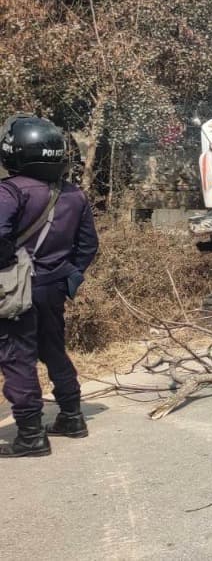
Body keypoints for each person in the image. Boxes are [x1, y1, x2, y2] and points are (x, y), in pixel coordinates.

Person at [0, 115, 99, 458]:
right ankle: (72, 417)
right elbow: (88, 246)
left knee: (17, 356)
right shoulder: (74, 195)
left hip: (17, 289)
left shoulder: (10, 192)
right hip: (54, 286)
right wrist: (68, 275)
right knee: (53, 348)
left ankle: (30, 434)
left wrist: (9, 268)